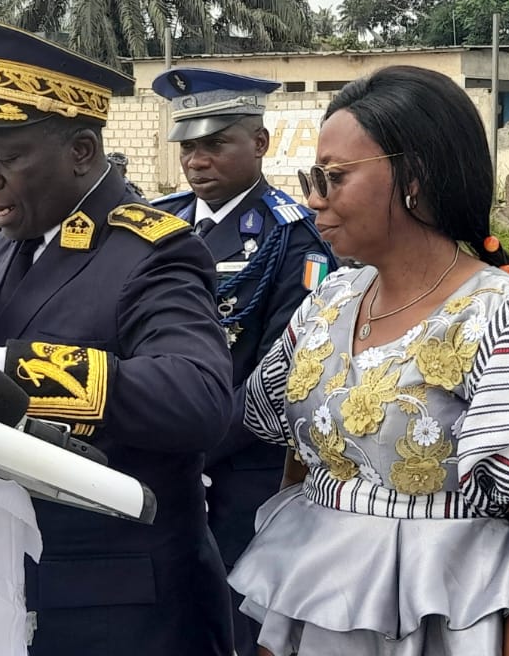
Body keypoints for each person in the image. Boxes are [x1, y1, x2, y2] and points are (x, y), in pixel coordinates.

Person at [228, 65, 509, 656]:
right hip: (325, 623)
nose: (315, 198)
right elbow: (300, 470)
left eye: (335, 178)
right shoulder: (327, 301)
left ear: (413, 177)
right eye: (312, 177)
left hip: (457, 627)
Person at [0, 15, 235, 656]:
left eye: (7, 157)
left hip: (117, 602)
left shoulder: (150, 252)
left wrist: (14, 366)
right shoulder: (7, 245)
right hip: (9, 574)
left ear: (82, 152)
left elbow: (198, 397)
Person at [148, 67, 336, 656]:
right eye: (189, 146)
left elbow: (286, 372)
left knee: (237, 622)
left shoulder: (292, 238)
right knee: (167, 612)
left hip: (238, 468)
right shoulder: (162, 224)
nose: (197, 161)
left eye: (215, 144)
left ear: (259, 144)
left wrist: (193, 447)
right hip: (159, 457)